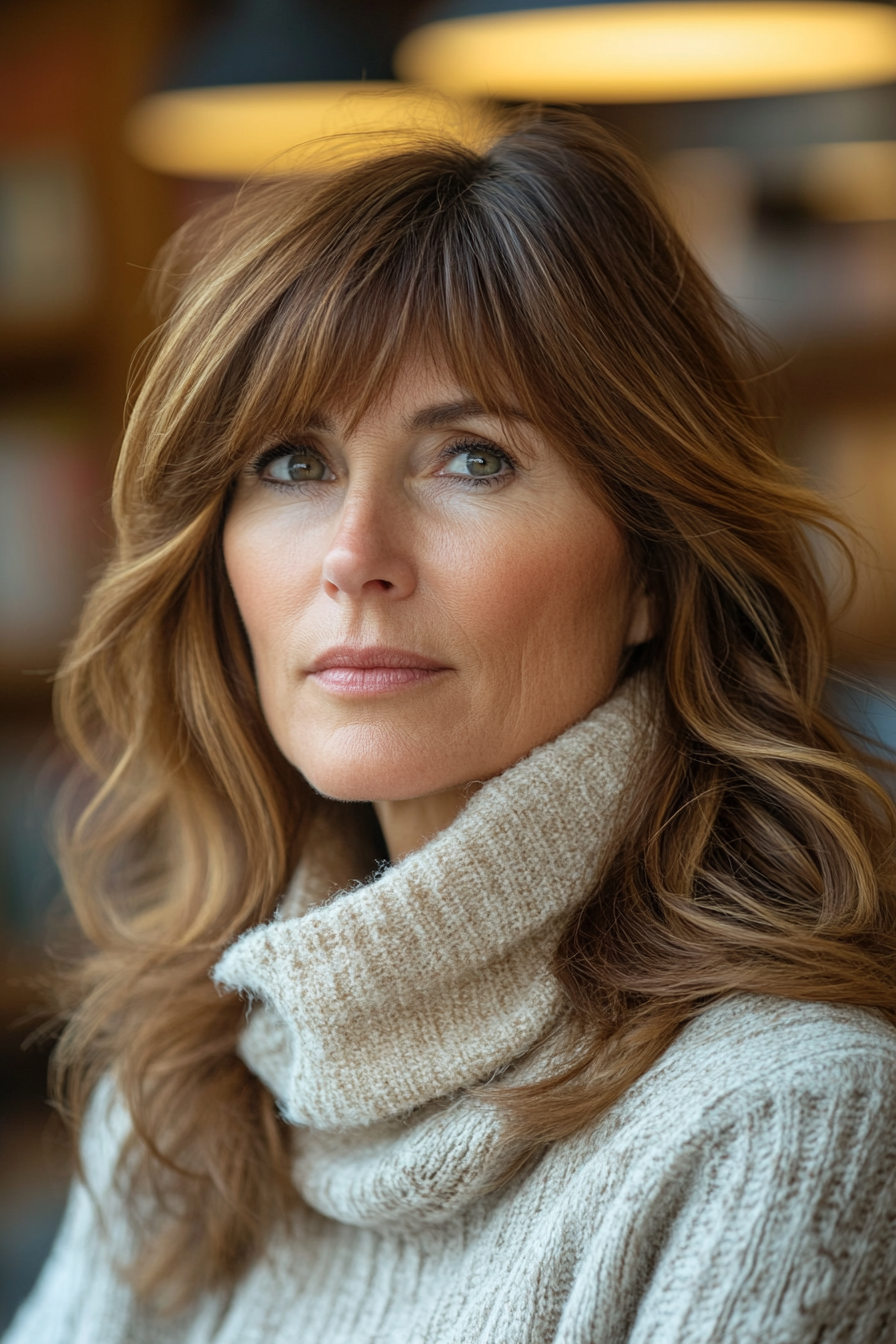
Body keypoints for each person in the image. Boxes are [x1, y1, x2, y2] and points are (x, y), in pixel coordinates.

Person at [6, 107, 896, 1344]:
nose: (354, 558)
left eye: (470, 460)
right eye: (289, 464)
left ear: (651, 566)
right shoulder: (184, 1084)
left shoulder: (783, 1119)